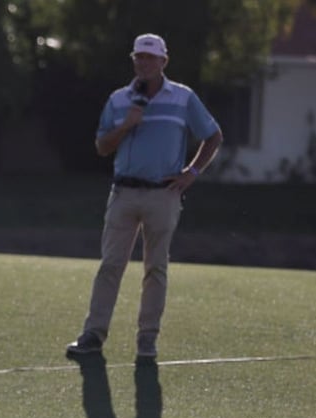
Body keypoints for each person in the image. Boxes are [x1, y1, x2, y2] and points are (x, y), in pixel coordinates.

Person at [66, 33, 222, 360]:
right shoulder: (119, 100)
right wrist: (126, 126)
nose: (144, 63)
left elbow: (212, 135)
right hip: (123, 191)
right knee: (110, 264)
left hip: (162, 194)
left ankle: (147, 340)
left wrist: (191, 173)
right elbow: (101, 147)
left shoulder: (183, 98)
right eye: (139, 57)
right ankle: (93, 335)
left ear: (164, 62)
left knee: (155, 268)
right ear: (133, 60)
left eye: (151, 58)